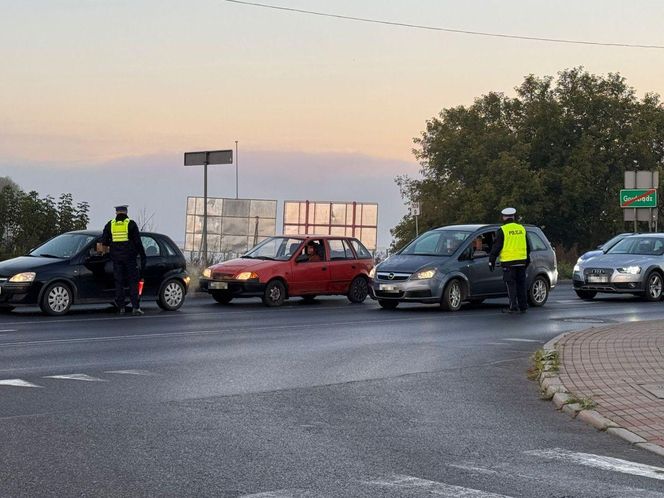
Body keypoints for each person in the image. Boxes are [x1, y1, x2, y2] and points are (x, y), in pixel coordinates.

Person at [101, 205, 147, 315]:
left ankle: (121, 307)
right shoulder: (130, 224)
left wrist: (111, 246)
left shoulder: (110, 224)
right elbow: (137, 242)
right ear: (126, 212)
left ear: (116, 213)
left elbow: (104, 242)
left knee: (119, 282)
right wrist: (142, 254)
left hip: (116, 259)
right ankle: (135, 307)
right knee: (132, 282)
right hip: (130, 258)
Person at [489, 207, 530, 314]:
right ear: (513, 217)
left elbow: (496, 247)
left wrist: (491, 260)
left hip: (509, 263)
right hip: (521, 261)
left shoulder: (502, 230)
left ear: (503, 217)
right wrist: (527, 259)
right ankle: (523, 306)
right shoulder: (521, 229)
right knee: (521, 284)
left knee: (511, 285)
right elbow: (528, 246)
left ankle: (513, 307)